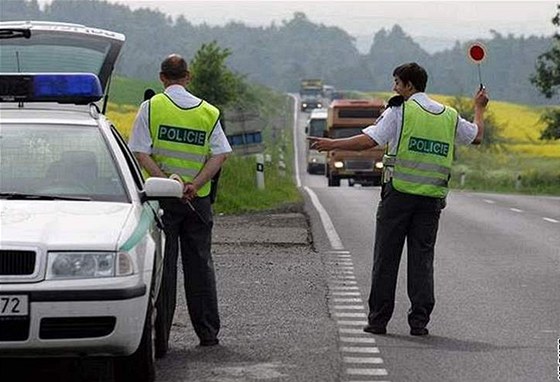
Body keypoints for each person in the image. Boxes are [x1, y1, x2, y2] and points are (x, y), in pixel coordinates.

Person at [308, 62, 488, 336]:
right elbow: (476, 137)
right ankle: (419, 322)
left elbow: (370, 140)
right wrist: (479, 108)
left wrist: (332, 145)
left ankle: (378, 321)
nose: (393, 87)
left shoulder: (399, 110)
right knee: (422, 261)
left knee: (386, 258)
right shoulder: (449, 116)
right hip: (430, 202)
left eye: (396, 82)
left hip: (399, 196)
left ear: (409, 86)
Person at [129, 53, 232, 348]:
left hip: (163, 200)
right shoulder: (209, 113)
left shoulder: (150, 108)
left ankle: (160, 338)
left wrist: (166, 180)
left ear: (162, 78)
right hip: (197, 201)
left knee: (164, 268)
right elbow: (220, 155)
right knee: (200, 265)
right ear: (188, 77)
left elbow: (140, 151)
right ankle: (208, 333)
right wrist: (195, 184)